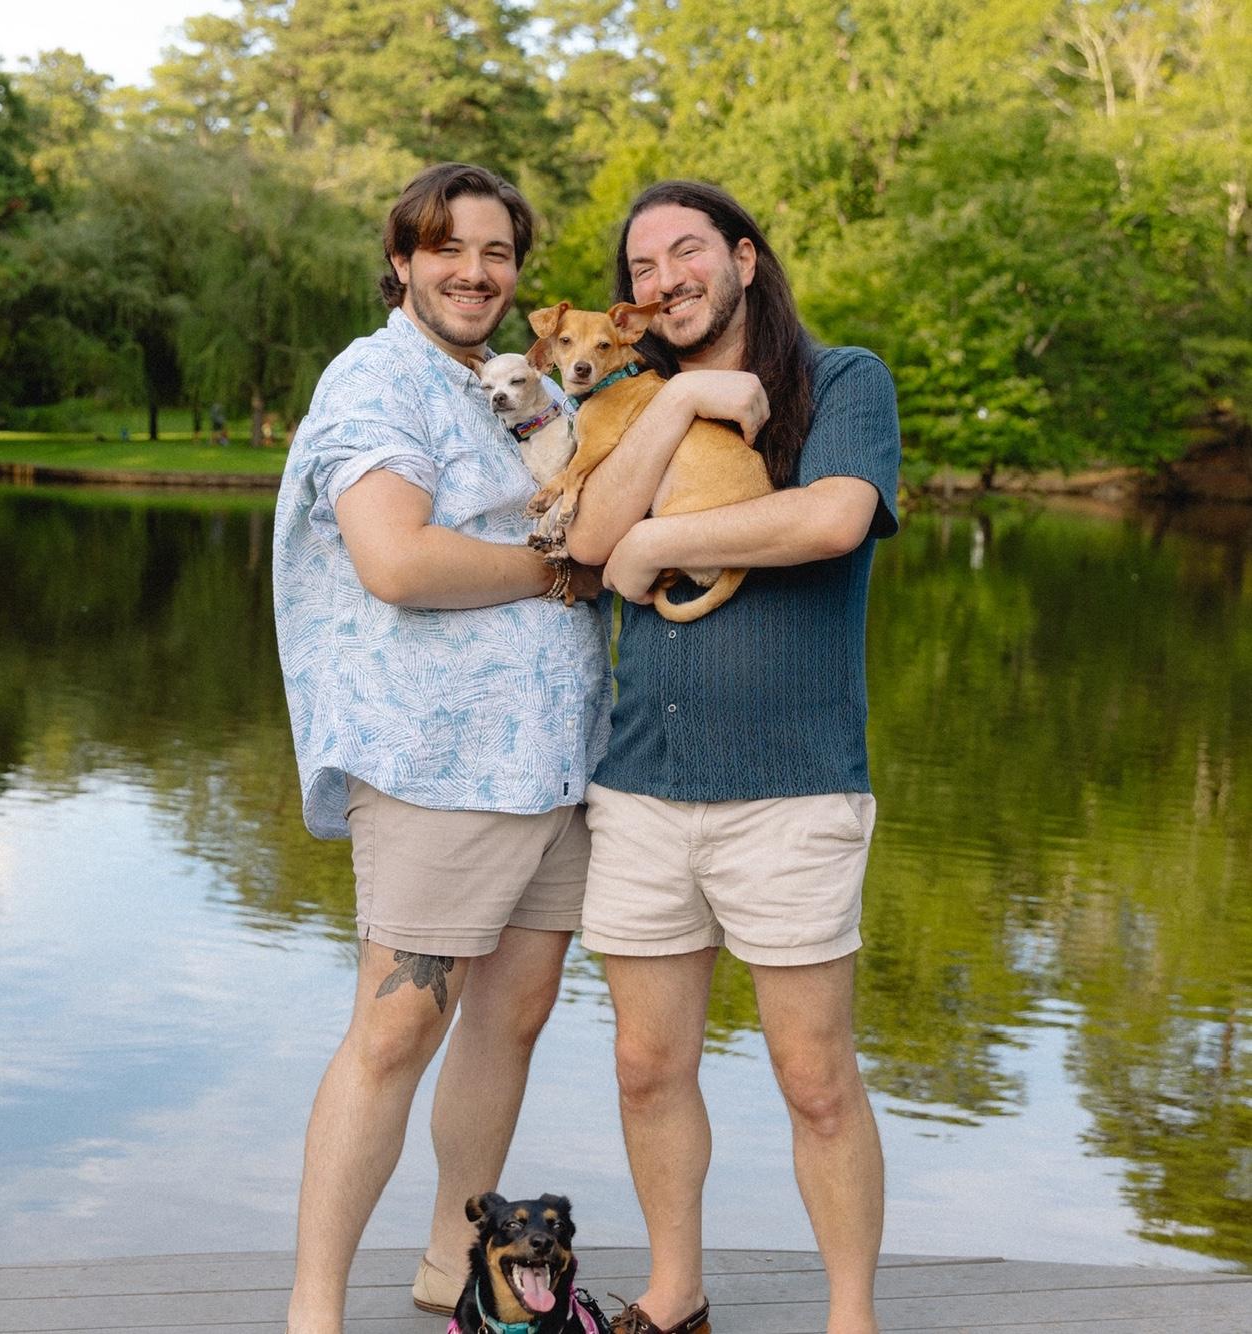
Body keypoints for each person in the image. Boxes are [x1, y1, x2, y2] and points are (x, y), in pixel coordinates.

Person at [272, 162, 611, 1334]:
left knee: (511, 1015)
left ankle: (448, 1271)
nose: (474, 271)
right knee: (397, 1024)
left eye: (496, 252)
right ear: (402, 261)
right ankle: (313, 1310)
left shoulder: (502, 385)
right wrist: (557, 574)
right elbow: (398, 560)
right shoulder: (376, 379)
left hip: (553, 759)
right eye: (447, 248)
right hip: (437, 755)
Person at [565, 180, 901, 1334]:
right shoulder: (633, 401)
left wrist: (661, 537)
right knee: (645, 1065)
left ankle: (848, 1316)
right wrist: (674, 404)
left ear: (744, 259)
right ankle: (676, 1293)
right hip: (640, 786)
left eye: (686, 250)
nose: (664, 278)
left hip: (794, 789)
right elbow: (589, 540)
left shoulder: (841, 379)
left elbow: (829, 518)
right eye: (641, 267)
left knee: (814, 1076)